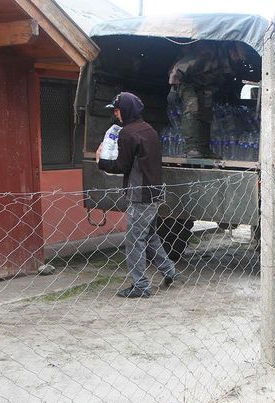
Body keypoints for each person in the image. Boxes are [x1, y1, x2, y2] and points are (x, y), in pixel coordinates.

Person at [98, 92, 177, 298]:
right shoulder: (149, 129)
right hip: (155, 191)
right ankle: (169, 271)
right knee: (149, 235)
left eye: (117, 109)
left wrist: (101, 161)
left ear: (126, 110)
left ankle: (141, 285)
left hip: (139, 194)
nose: (116, 114)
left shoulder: (128, 133)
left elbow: (121, 166)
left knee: (134, 241)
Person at [167, 42, 241, 159]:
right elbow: (179, 69)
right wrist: (173, 89)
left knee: (206, 112)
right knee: (193, 108)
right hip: (185, 81)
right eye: (237, 54)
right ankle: (190, 148)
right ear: (231, 50)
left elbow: (216, 80)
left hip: (203, 85)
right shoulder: (207, 53)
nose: (238, 58)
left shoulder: (228, 63)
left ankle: (203, 149)